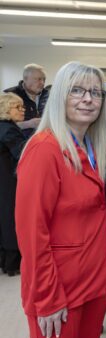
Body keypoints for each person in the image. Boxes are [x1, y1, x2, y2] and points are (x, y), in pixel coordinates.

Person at [14, 61, 106, 338]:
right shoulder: (44, 149)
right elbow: (31, 232)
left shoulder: (94, 145)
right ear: (60, 96)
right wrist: (47, 298)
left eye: (95, 92)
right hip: (58, 287)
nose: (87, 99)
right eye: (76, 91)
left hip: (94, 282)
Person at [0, 93, 26, 276]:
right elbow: (23, 154)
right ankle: (12, 264)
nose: (23, 110)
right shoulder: (8, 129)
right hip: (8, 183)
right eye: (18, 107)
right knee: (10, 219)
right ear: (6, 109)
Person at [4, 63, 49, 137]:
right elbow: (3, 125)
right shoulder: (9, 95)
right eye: (38, 79)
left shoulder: (49, 95)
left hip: (45, 141)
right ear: (25, 79)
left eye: (44, 79)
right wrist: (27, 124)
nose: (42, 83)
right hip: (18, 143)